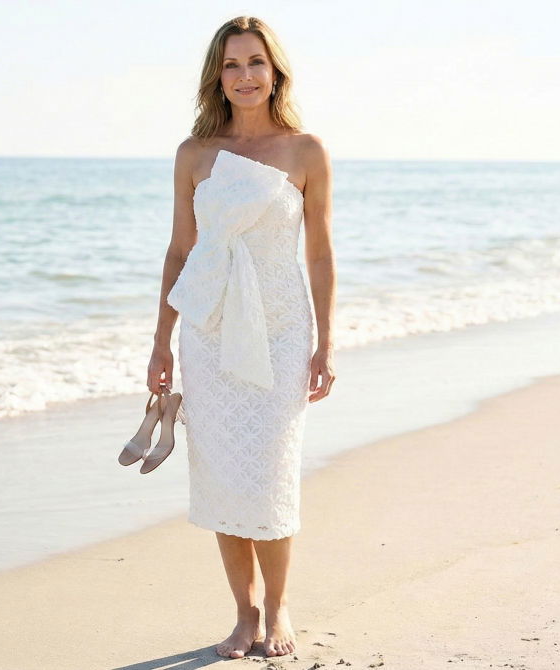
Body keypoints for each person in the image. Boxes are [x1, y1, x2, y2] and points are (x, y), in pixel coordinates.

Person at [147, 15, 337, 659]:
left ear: (274, 70)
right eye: (232, 65)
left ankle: (280, 611)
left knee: (271, 470)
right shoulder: (194, 155)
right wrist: (160, 344)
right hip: (210, 329)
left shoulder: (305, 150)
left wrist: (325, 343)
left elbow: (320, 255)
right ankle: (244, 615)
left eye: (256, 62)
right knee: (225, 472)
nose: (245, 76)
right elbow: (180, 250)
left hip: (283, 331)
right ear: (217, 76)